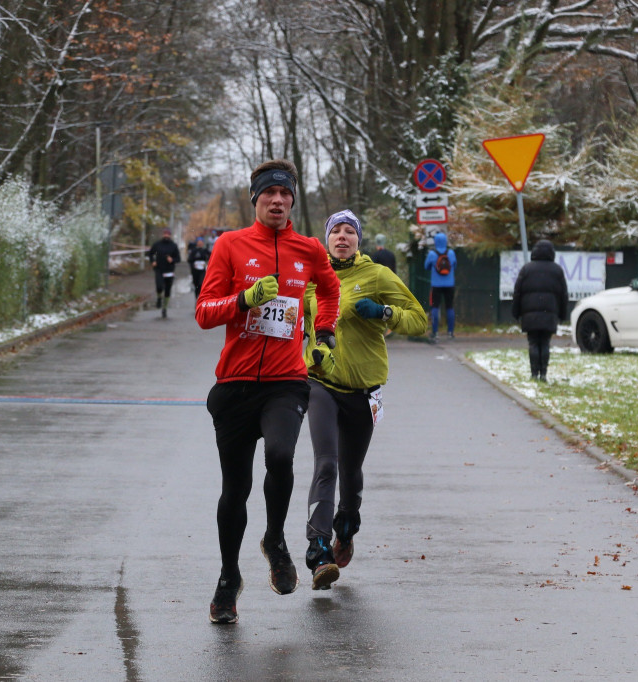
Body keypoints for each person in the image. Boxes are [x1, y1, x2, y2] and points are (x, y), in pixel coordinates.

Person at [195, 159, 341, 625]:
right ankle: (228, 577)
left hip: (285, 382)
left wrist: (325, 328)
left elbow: (331, 289)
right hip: (235, 385)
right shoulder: (230, 245)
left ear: (292, 201)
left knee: (280, 456)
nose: (277, 201)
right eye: (268, 195)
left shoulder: (309, 249)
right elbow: (204, 312)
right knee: (234, 488)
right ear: (255, 200)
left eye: (285, 195)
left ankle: (275, 539)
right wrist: (244, 299)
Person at [302, 209, 428, 590]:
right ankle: (318, 550)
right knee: (326, 465)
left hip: (364, 390)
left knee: (350, 472)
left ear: (359, 240)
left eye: (349, 232)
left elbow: (419, 320)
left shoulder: (377, 275)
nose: (342, 237)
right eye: (335, 231)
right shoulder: (310, 277)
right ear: (327, 239)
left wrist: (385, 312)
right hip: (320, 383)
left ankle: (346, 527)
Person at [511, 239, 569, 382]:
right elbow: (564, 295)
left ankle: (534, 373)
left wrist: (516, 312)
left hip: (529, 315)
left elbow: (517, 292)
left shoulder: (526, 269)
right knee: (545, 343)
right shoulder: (557, 270)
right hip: (549, 314)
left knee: (533, 343)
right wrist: (562, 314)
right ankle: (543, 373)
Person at [423, 231, 457, 341]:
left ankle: (435, 332)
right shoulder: (451, 253)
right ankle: (450, 332)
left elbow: (426, 266)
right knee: (450, 307)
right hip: (450, 284)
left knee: (435, 307)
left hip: (436, 285)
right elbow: (454, 265)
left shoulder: (432, 254)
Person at [148, 228, 181, 318]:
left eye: (168, 234)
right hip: (159, 269)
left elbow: (178, 259)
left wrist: (172, 259)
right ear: (163, 235)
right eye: (165, 234)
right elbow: (150, 253)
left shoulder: (173, 246)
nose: (166, 235)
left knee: (167, 289)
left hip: (169, 270)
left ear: (170, 235)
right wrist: (153, 261)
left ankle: (164, 308)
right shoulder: (157, 244)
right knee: (159, 286)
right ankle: (159, 297)